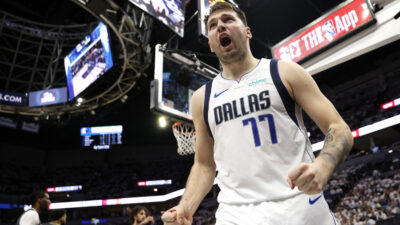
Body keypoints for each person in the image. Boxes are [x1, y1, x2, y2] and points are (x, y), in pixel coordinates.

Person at [161, 2, 353, 225]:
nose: (220, 26)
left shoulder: (284, 72)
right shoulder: (201, 98)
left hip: (300, 209)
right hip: (236, 216)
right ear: (211, 44)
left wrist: (323, 166)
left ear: (247, 32)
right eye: (213, 25)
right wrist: (185, 207)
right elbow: (204, 164)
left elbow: (339, 128)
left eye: (228, 20)